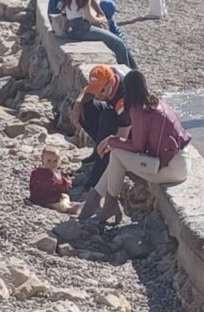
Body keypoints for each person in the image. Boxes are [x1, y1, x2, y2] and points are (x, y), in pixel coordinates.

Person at [80, 71, 191, 222]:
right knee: (117, 156)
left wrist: (111, 140)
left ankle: (104, 203)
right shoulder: (156, 103)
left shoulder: (139, 110)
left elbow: (137, 147)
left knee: (116, 154)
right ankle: (97, 200)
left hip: (169, 169)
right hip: (182, 162)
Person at [71, 64, 131, 188]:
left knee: (107, 117)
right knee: (84, 107)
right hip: (115, 115)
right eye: (96, 90)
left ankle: (98, 174)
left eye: (101, 90)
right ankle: (98, 151)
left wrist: (107, 144)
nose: (98, 95)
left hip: (130, 133)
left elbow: (123, 136)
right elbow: (87, 90)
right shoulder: (110, 72)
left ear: (111, 83)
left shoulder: (124, 99)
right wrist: (78, 103)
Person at [62, 0, 132, 64]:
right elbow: (88, 16)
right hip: (81, 28)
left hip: (73, 26)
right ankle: (127, 70)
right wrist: (100, 20)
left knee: (112, 35)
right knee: (118, 44)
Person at [29, 147, 80, 214]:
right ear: (42, 159)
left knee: (65, 196)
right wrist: (61, 185)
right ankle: (67, 208)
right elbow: (48, 185)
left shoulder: (54, 172)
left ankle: (68, 204)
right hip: (43, 199)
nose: (52, 163)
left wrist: (65, 181)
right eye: (49, 161)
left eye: (55, 161)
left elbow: (59, 181)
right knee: (57, 205)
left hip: (54, 196)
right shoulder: (40, 173)